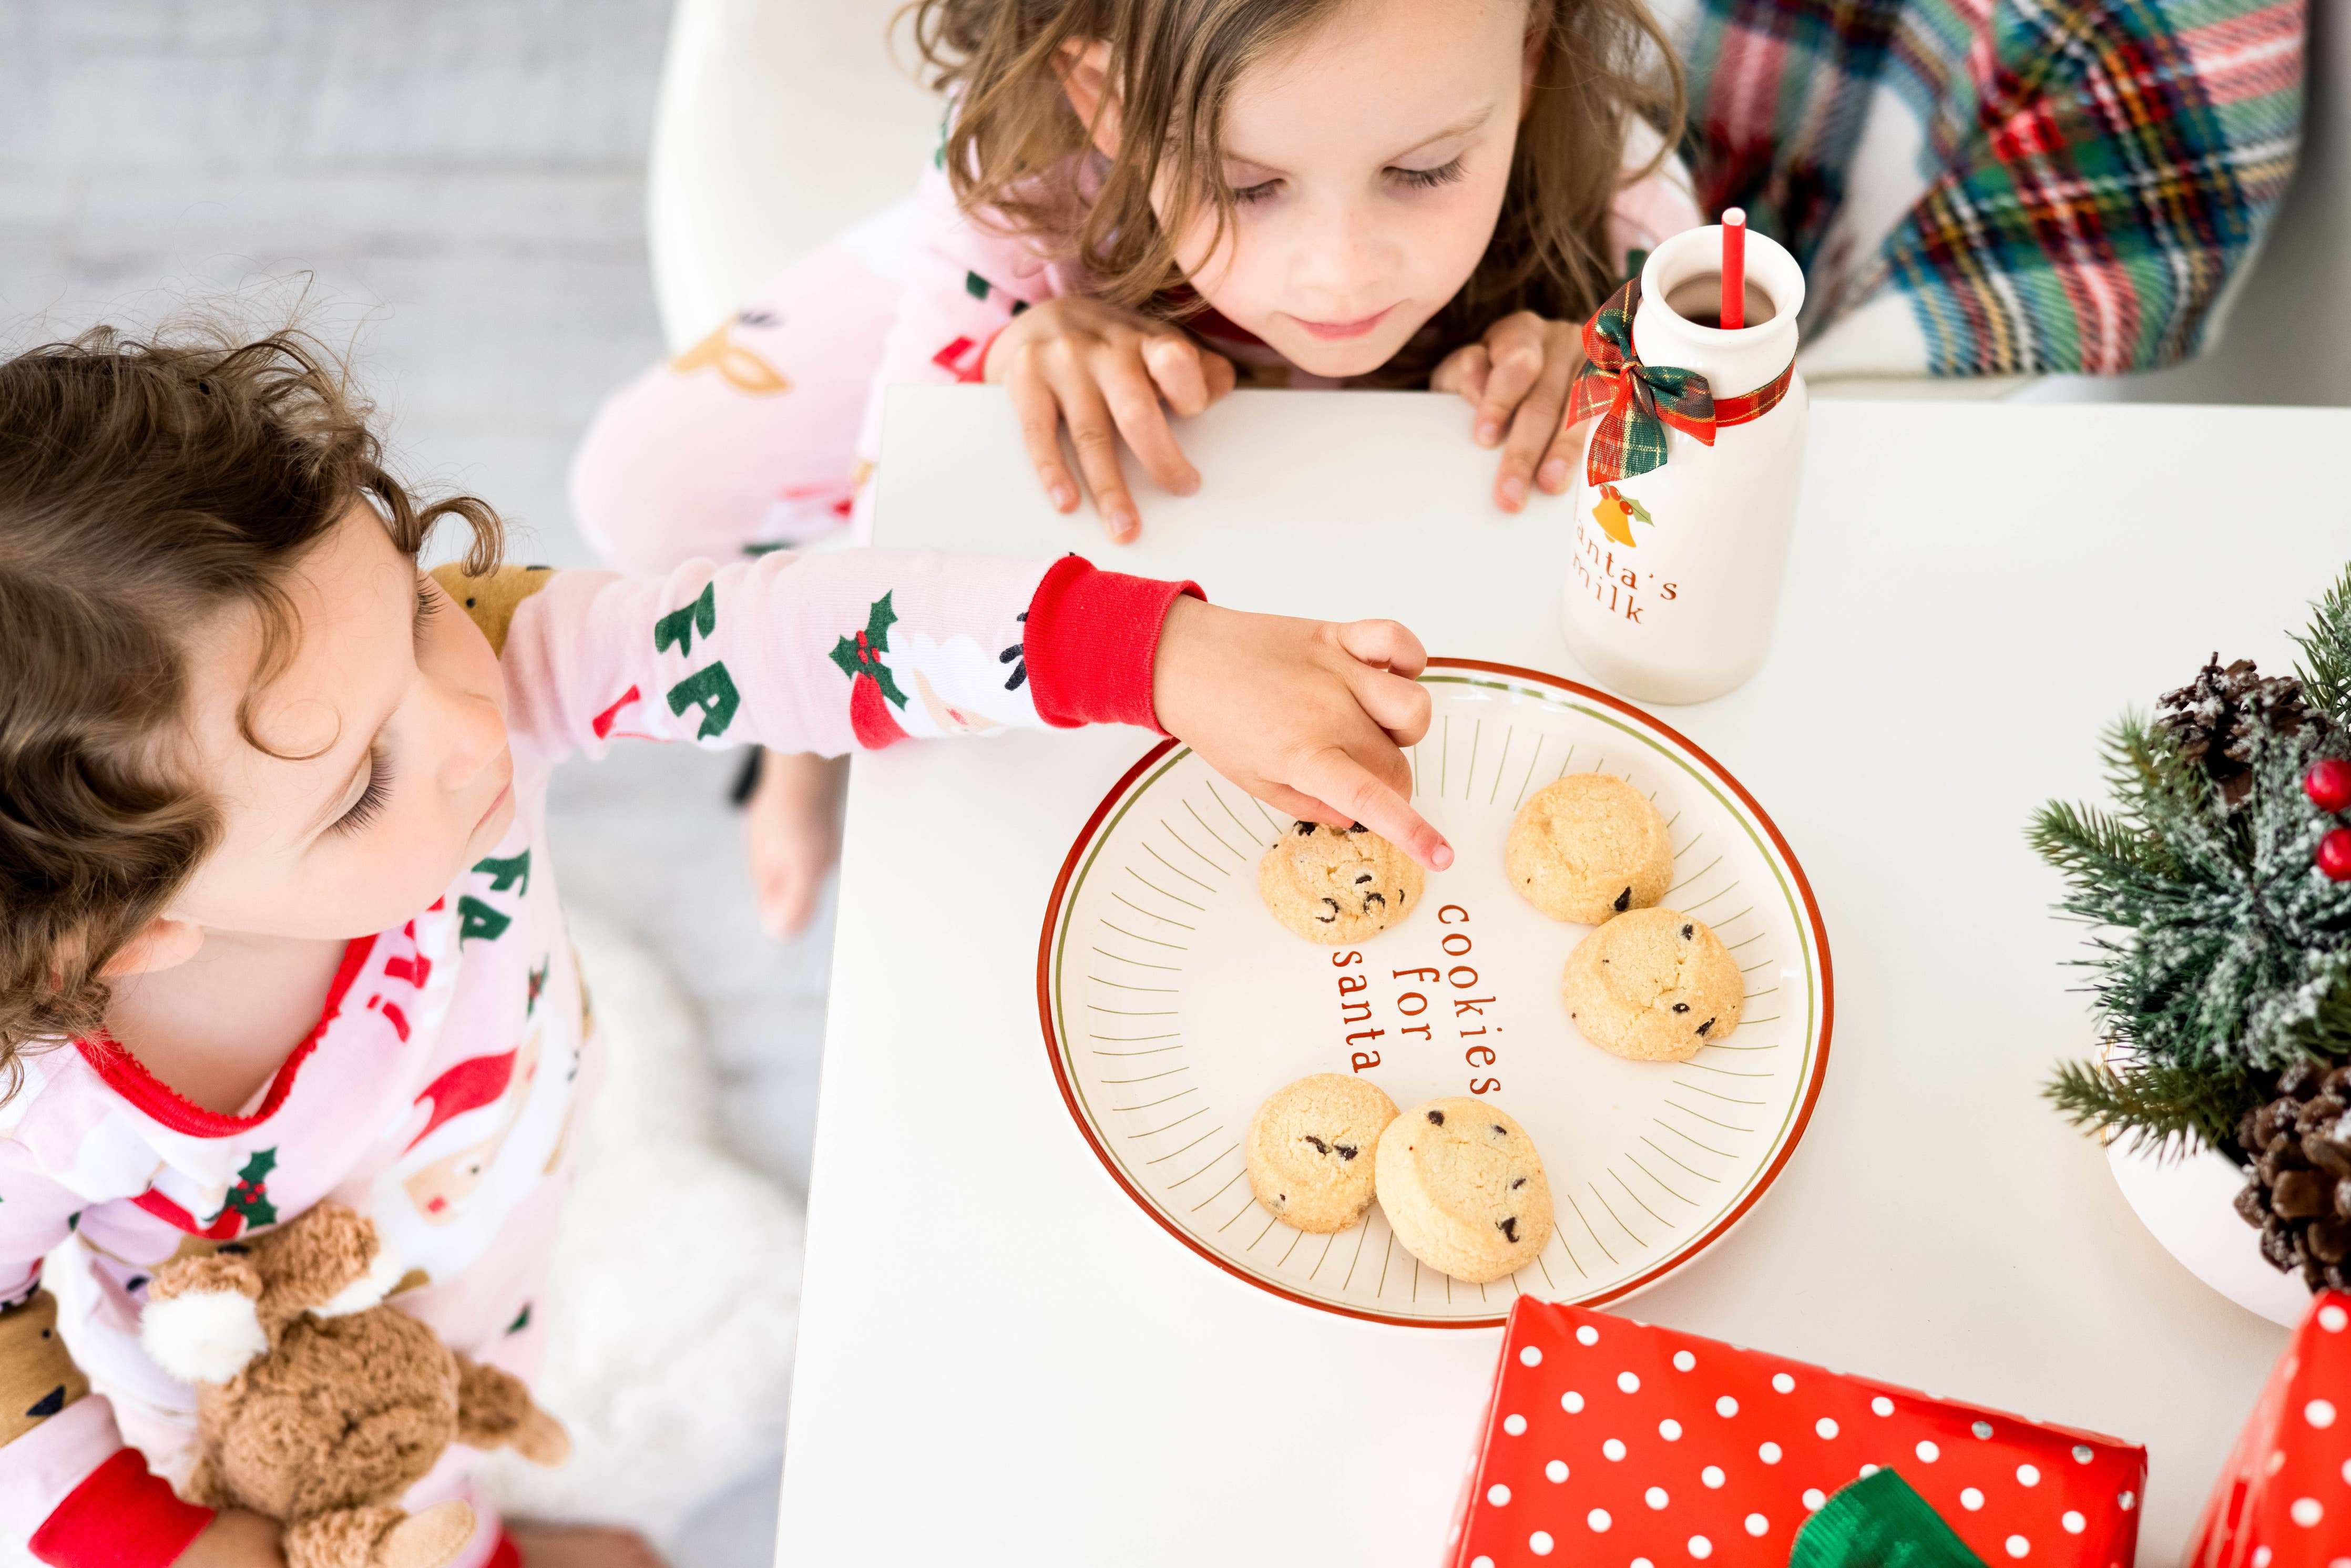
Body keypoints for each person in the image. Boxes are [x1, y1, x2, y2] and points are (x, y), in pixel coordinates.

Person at [0, 323, 1446, 1568]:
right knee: (389, 1513)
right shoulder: (40, 1112)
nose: (466, 723)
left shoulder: (482, 671)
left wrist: (1153, 658)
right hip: (251, 1409)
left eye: (417, 607)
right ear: (128, 932)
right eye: (359, 786)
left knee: (475, 1411)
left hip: (499, 1239)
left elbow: (788, 633)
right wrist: (165, 1541)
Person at [569, 0, 1700, 938]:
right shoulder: (1023, 176)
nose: (1340, 272)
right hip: (1042, 252)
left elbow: (1709, 427)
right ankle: (790, 748)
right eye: (1249, 185)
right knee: (638, 488)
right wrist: (1013, 344)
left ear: (1528, 51)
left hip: (1333, 503)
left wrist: (1604, 363)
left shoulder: (1611, 171)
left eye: (1423, 169)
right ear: (1101, 97)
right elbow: (897, 544)